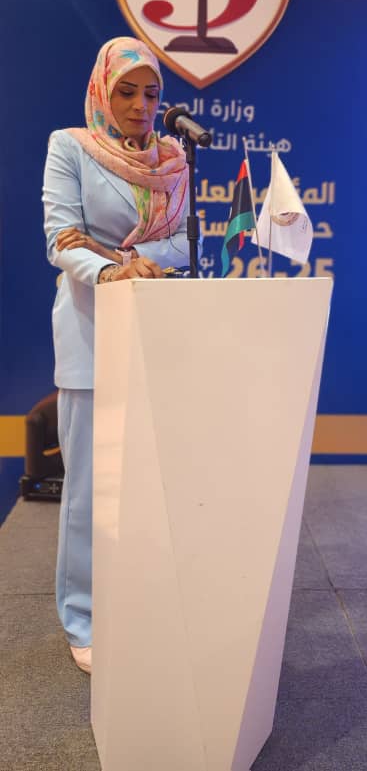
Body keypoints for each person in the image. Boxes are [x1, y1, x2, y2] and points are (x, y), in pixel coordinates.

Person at [42, 36, 191, 675]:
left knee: (152, 485)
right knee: (87, 492)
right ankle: (83, 618)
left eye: (151, 94)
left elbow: (183, 243)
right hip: (90, 331)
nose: (140, 106)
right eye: (126, 92)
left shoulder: (174, 158)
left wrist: (132, 257)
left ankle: (141, 603)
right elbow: (60, 239)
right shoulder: (70, 146)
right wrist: (112, 271)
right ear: (104, 91)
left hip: (157, 336)